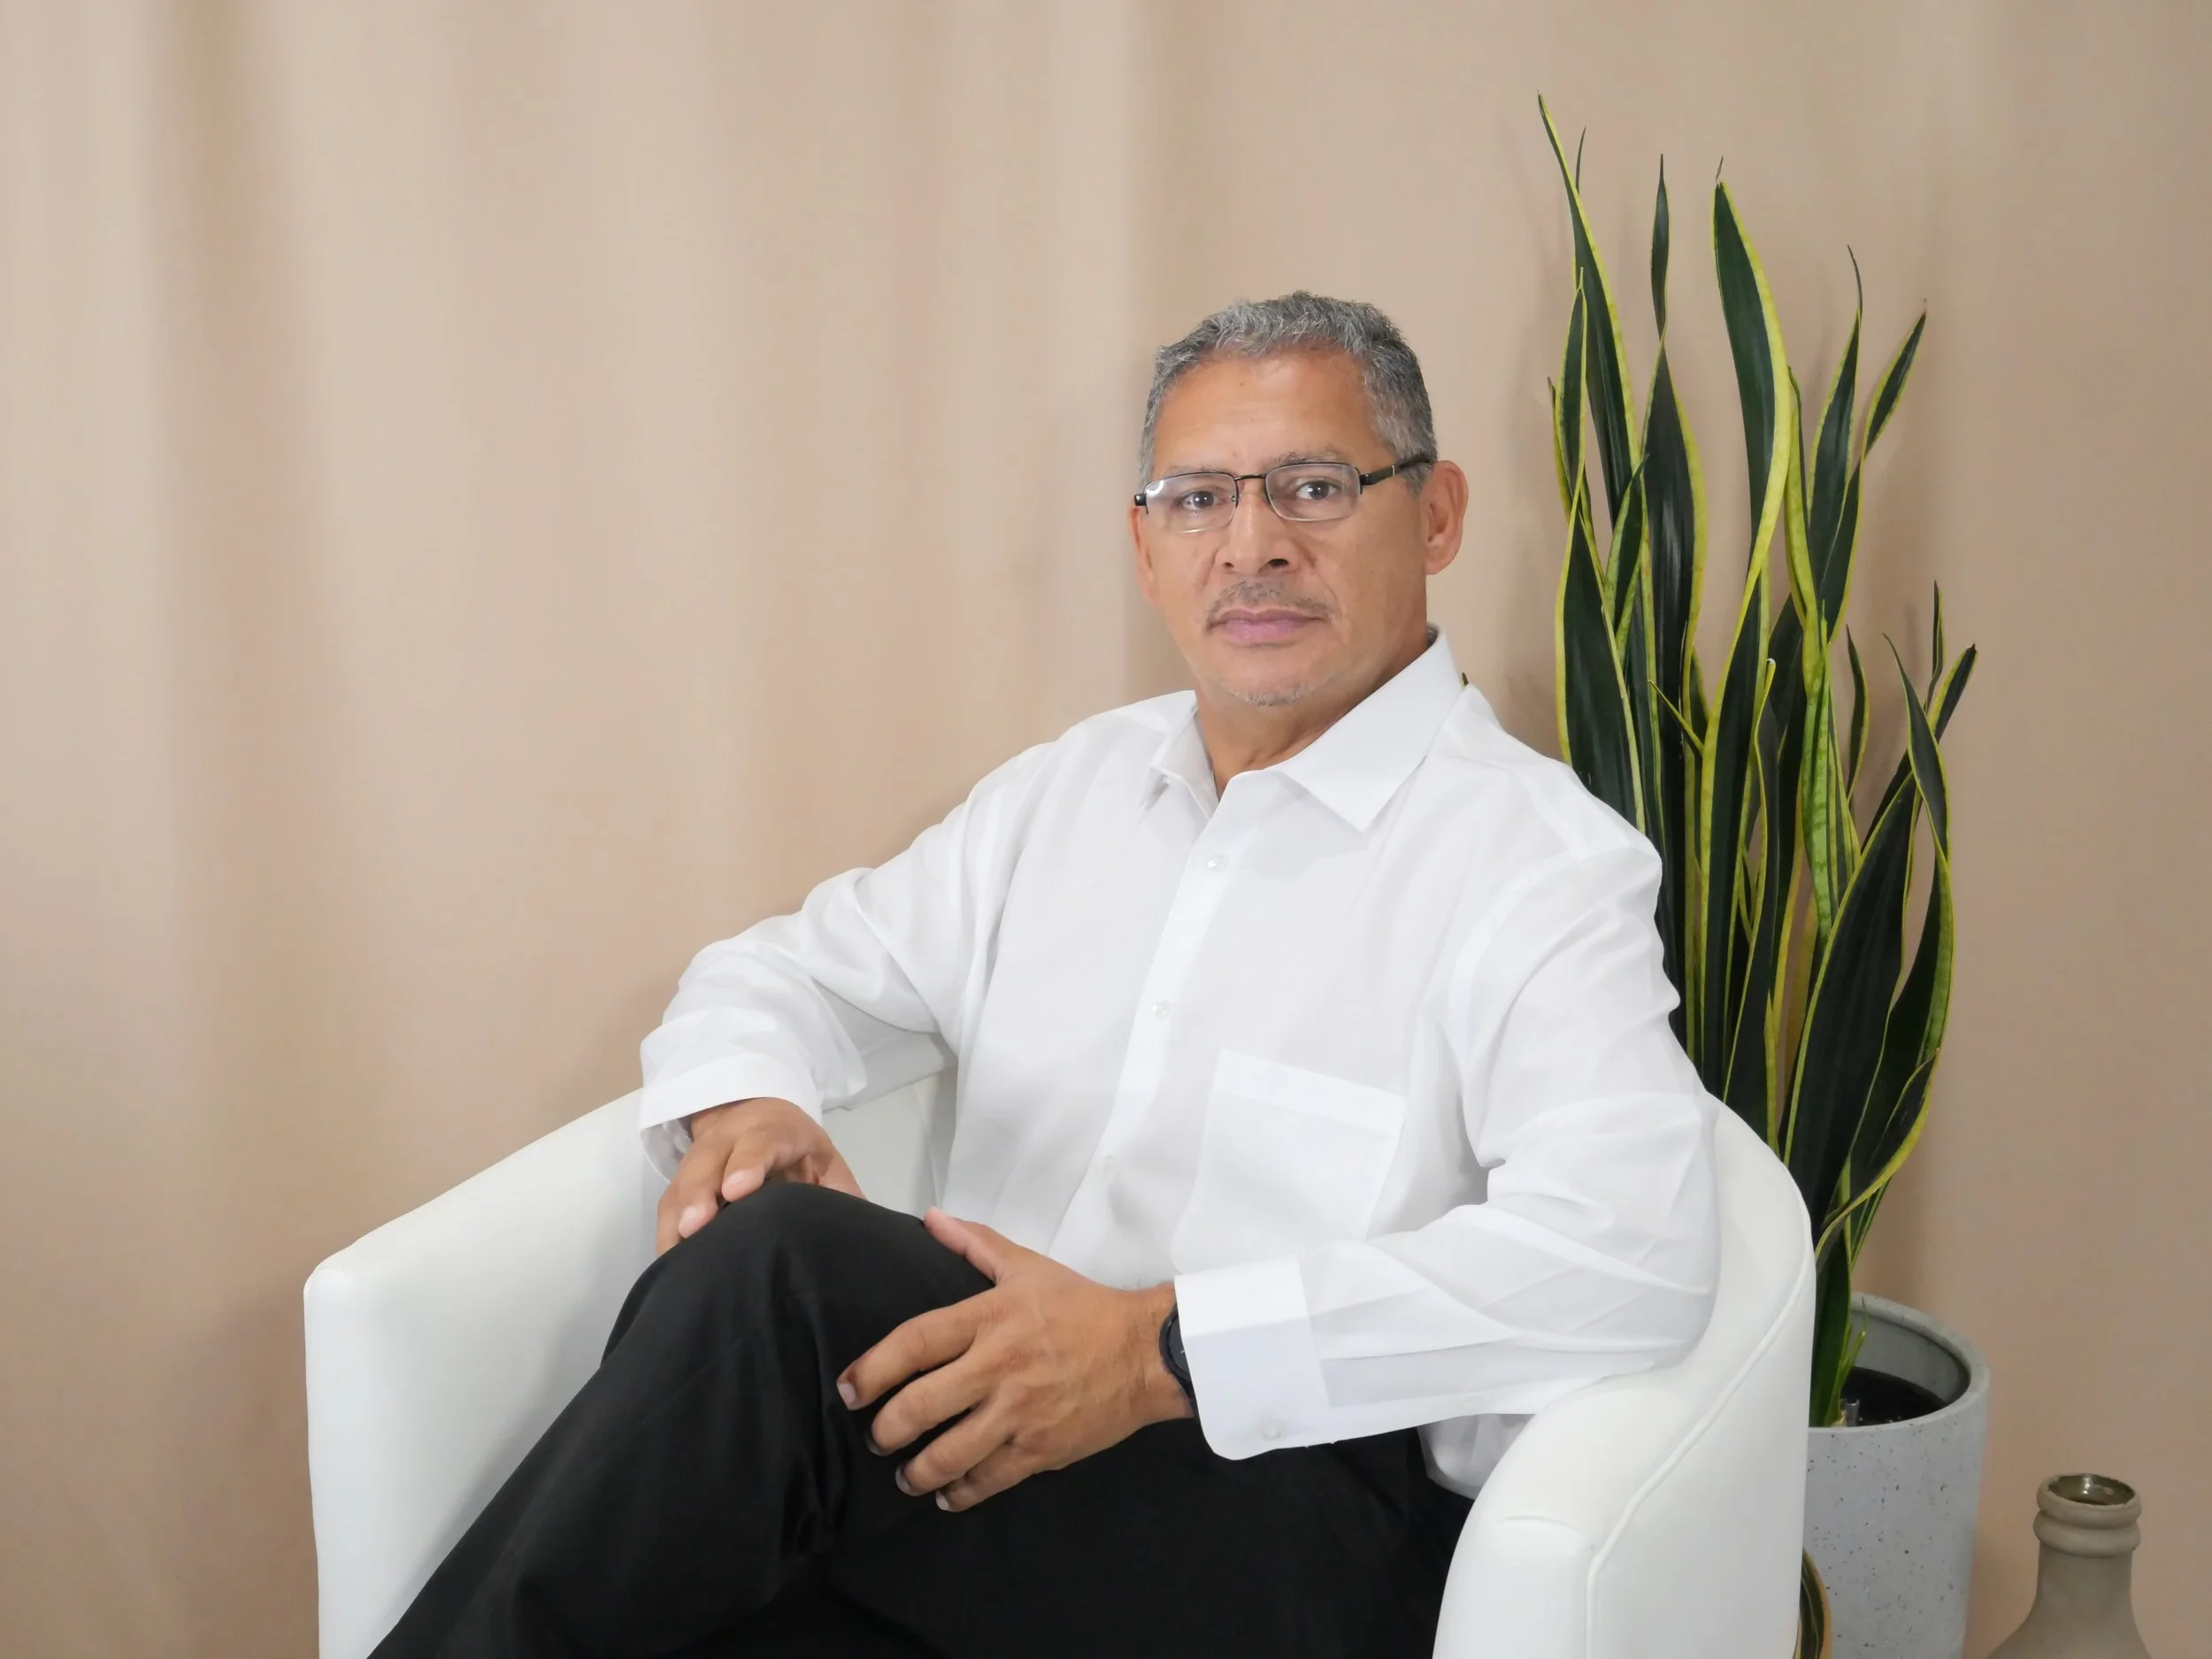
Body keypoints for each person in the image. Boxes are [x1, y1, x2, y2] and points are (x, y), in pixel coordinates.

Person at [372, 293, 1720, 1659]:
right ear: (1146, 548)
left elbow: (1628, 1252)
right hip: (996, 1483)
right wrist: (751, 1109)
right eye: (1198, 499)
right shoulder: (1071, 794)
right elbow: (778, 973)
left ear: (1434, 515)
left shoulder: (1534, 860)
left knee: (779, 1281)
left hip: (1294, 1519)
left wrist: (1159, 1351)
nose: (1252, 545)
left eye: (1313, 487)